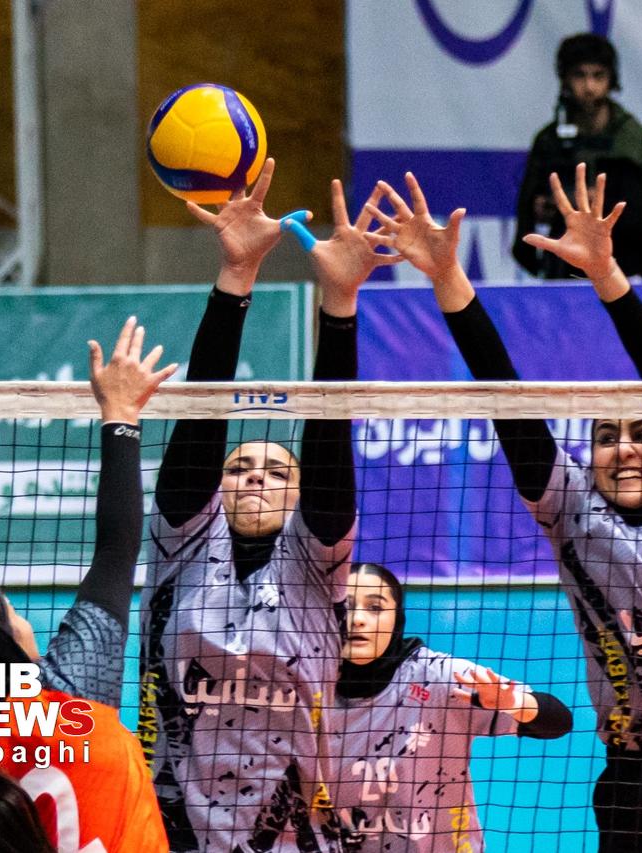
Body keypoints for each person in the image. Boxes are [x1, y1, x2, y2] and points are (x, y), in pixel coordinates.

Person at [364, 169, 642, 852]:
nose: (624, 449)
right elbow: (504, 396)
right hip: (637, 783)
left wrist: (605, 275)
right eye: (605, 437)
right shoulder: (570, 511)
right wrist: (448, 279)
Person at [137, 159, 401, 852]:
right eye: (239, 467)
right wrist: (236, 276)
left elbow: (329, 443)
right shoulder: (181, 546)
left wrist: (339, 305)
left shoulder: (318, 565)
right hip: (173, 834)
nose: (254, 476)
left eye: (276, 470)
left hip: (294, 838)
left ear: (298, 494)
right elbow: (201, 423)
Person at [0, 317, 178, 853]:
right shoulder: (70, 694)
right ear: (8, 648)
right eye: (12, 613)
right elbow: (116, 551)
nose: (25, 620)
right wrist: (121, 414)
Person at [326, 562, 572, 852]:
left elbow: (559, 721)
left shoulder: (437, 676)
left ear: (397, 619)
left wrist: (513, 703)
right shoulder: (303, 681)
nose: (357, 619)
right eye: (347, 606)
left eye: (375, 608)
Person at [513, 32, 642, 280]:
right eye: (579, 75)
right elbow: (530, 206)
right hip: (565, 268)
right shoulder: (549, 140)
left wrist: (601, 202)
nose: (589, 87)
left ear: (611, 80)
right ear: (565, 79)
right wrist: (542, 207)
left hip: (624, 266)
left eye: (598, 76)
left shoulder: (633, 139)